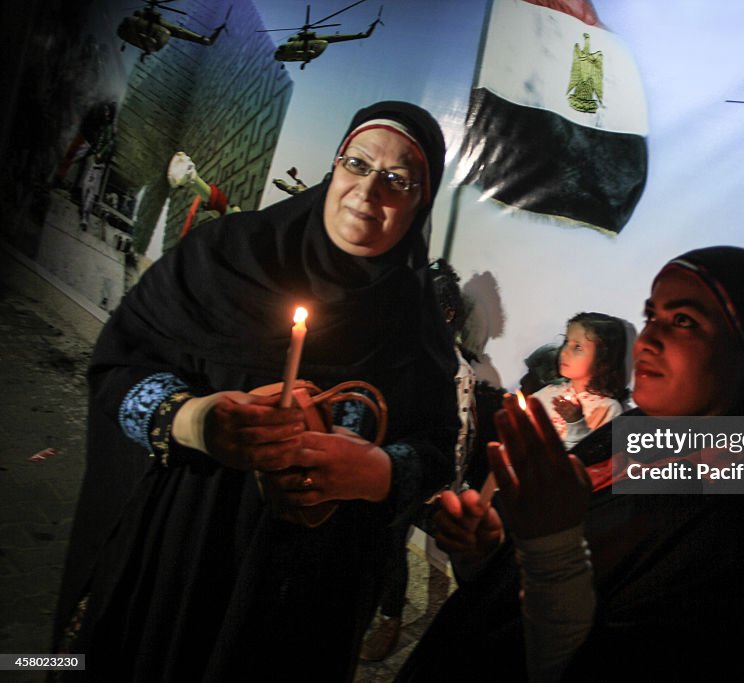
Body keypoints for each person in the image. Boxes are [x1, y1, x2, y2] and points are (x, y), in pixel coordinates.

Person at [53, 101, 458, 682]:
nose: (368, 194)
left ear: (421, 202)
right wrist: (193, 419)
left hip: (308, 589)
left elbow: (438, 446)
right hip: (180, 546)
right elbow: (121, 362)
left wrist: (382, 472)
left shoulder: (414, 324)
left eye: (399, 180)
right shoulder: (224, 256)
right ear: (334, 166)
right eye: (357, 164)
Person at [401, 246, 744, 681]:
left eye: (683, 321)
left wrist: (552, 544)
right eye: (651, 317)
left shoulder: (737, 525)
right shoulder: (638, 433)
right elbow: (521, 578)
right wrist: (487, 549)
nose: (648, 342)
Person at [360, 257, 477, 662]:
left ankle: (390, 616)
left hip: (426, 478)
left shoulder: (456, 371)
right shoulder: (404, 351)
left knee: (393, 542)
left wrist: (441, 486)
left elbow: (458, 437)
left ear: (445, 315)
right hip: (392, 462)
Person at [530, 312, 629, 450]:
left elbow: (589, 458)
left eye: (577, 347)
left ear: (603, 360)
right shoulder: (546, 394)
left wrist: (575, 422)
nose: (564, 352)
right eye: (566, 342)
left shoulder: (607, 409)